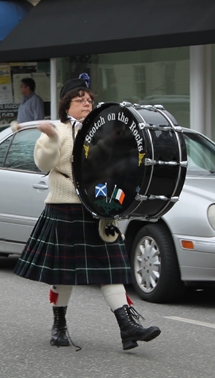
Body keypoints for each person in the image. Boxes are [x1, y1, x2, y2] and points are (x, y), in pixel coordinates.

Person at [13, 74, 161, 351]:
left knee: (110, 271)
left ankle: (127, 328)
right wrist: (54, 139)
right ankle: (59, 326)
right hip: (64, 207)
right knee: (63, 274)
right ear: (66, 105)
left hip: (98, 210)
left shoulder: (102, 130)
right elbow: (43, 164)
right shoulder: (57, 130)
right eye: (79, 100)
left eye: (89, 99)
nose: (86, 103)